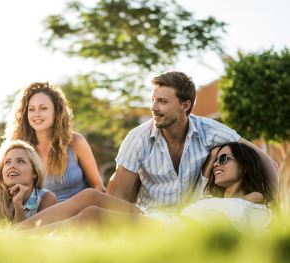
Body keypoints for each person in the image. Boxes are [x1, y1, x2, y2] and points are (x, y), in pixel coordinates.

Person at [107, 71, 278, 212]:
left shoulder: (209, 131)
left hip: (194, 226)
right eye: (153, 100)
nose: (154, 108)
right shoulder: (137, 139)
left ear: (185, 105)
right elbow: (119, 197)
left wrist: (276, 207)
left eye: (162, 102)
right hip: (152, 222)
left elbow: (267, 162)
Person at [17, 142, 274, 232]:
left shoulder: (255, 206)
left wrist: (256, 192)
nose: (216, 164)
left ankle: (26, 243)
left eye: (224, 159)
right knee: (90, 196)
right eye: (214, 160)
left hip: (174, 231)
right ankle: (15, 233)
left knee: (91, 215)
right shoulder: (211, 198)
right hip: (163, 221)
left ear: (246, 166)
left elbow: (259, 207)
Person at [4, 82, 104, 202]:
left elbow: (98, 186)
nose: (36, 114)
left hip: (81, 211)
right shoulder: (20, 150)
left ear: (56, 112)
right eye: (31, 109)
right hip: (43, 216)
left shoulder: (75, 142)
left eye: (43, 108)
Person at [0, 140, 57, 223]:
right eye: (7, 162)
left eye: (20, 161)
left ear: (34, 172)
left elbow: (26, 234)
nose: (12, 166)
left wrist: (18, 204)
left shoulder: (46, 198)